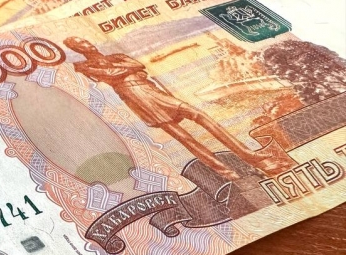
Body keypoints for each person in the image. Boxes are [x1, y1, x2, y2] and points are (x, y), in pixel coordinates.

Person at [64, 37, 295, 180]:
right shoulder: (84, 66)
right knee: (183, 136)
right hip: (137, 98)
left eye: (85, 40)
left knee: (201, 116)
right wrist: (124, 71)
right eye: (80, 44)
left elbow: (136, 65)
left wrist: (123, 71)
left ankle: (248, 154)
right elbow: (114, 73)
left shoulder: (116, 55)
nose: (87, 43)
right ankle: (224, 171)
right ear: (77, 48)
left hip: (152, 90)